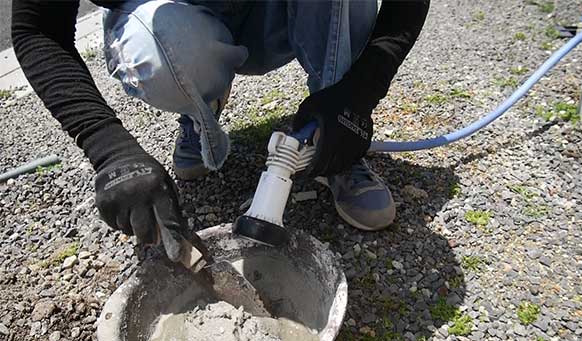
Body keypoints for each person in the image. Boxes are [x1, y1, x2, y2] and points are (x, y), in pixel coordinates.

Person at [12, 0, 429, 262]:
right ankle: (200, 113)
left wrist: (356, 96)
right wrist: (110, 148)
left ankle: (332, 134)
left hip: (281, 13)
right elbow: (37, 27)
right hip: (185, 22)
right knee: (161, 46)